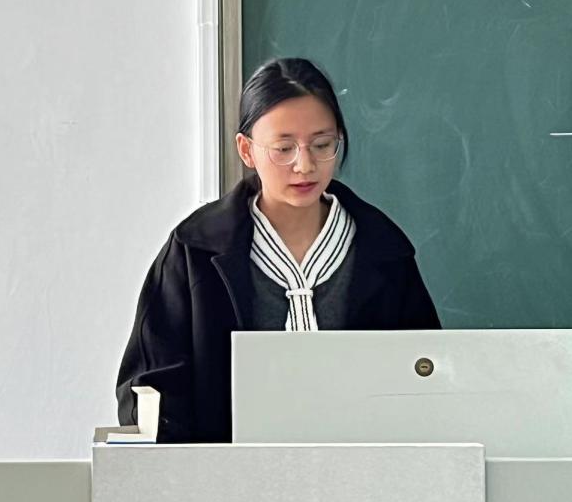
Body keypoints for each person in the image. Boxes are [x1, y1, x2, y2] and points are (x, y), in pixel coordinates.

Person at [116, 57, 440, 442]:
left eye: (322, 145)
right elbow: (151, 390)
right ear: (247, 150)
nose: (305, 165)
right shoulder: (194, 251)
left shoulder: (384, 252)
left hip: (361, 472)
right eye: (283, 148)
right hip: (228, 474)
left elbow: (427, 383)